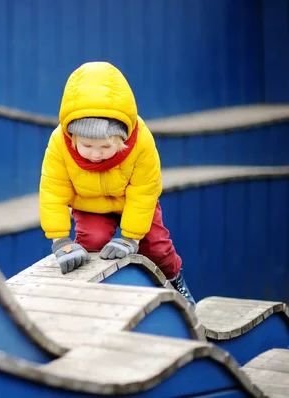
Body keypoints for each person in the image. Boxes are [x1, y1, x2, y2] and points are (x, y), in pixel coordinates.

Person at [39, 61, 196, 308]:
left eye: (105, 147)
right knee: (91, 243)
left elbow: (144, 192)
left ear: (122, 140)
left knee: (156, 248)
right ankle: (102, 296)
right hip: (89, 204)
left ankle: (175, 281)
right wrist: (61, 241)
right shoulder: (59, 144)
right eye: (87, 146)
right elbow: (52, 191)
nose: (95, 155)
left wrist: (130, 238)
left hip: (132, 203)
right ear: (73, 137)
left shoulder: (142, 142)